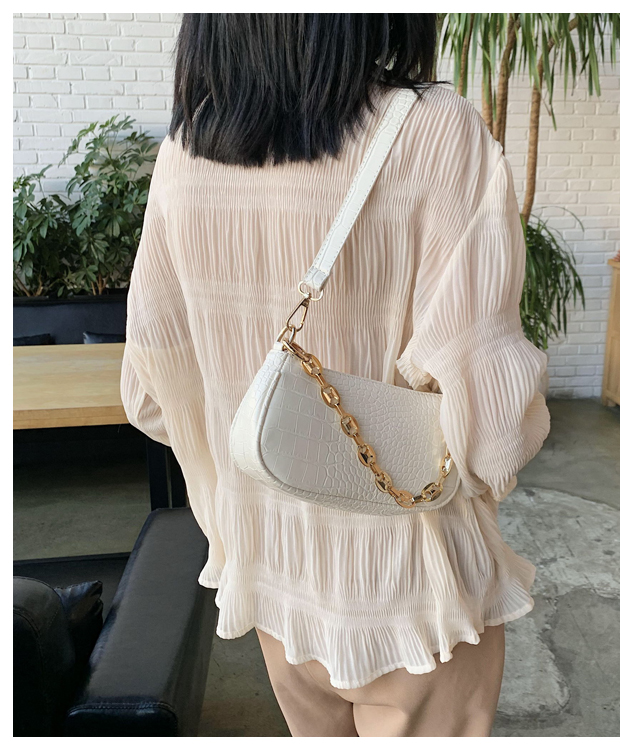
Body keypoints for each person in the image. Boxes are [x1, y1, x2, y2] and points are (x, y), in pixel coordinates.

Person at [121, 13, 550, 737]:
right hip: (413, 587)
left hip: (270, 571)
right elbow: (493, 426)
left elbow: (148, 391)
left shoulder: (186, 151)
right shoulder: (434, 129)